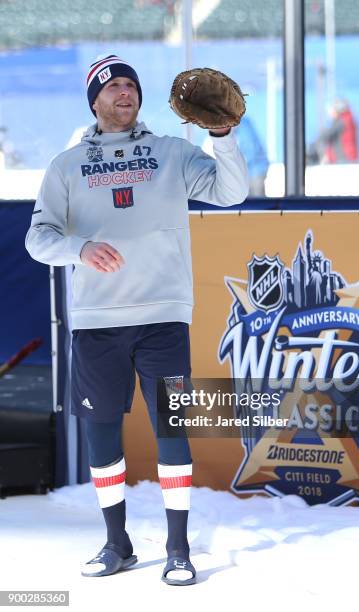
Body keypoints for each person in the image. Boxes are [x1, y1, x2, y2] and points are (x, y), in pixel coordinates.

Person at [25, 54, 249, 584]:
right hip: (97, 322)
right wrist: (80, 249)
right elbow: (39, 239)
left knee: (172, 429)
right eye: (113, 85)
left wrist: (221, 135)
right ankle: (116, 543)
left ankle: (177, 548)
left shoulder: (172, 153)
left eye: (131, 84)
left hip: (163, 319)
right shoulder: (67, 165)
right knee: (103, 437)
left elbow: (230, 191)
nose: (124, 92)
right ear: (95, 100)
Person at [202, 115, 268, 196]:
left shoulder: (243, 125)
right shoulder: (234, 125)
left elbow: (250, 152)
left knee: (254, 204)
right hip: (244, 174)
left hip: (254, 173)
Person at [311, 98, 358, 164]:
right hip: (348, 157)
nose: (331, 114)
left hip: (343, 158)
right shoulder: (348, 119)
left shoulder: (342, 121)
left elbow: (325, 136)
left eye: (332, 110)